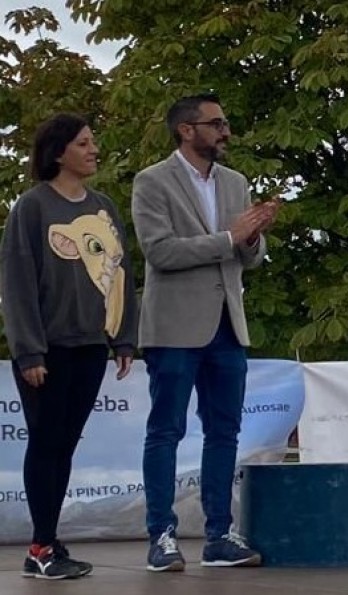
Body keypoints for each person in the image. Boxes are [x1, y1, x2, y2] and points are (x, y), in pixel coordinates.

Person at [132, 93, 279, 571]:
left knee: (225, 431)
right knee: (166, 431)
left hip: (227, 325)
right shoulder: (152, 181)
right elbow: (161, 253)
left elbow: (247, 257)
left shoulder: (235, 182)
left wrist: (254, 238)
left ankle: (219, 533)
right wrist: (231, 238)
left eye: (226, 122)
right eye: (216, 123)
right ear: (186, 130)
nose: (225, 131)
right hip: (174, 326)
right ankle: (162, 535)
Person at [0, 113, 139, 579]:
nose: (93, 150)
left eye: (93, 142)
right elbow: (17, 283)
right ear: (59, 152)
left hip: (90, 346)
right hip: (48, 348)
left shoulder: (103, 205)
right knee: (45, 442)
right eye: (84, 143)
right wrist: (29, 351)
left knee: (64, 446)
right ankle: (39, 547)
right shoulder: (33, 208)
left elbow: (120, 274)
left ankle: (50, 540)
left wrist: (122, 337)